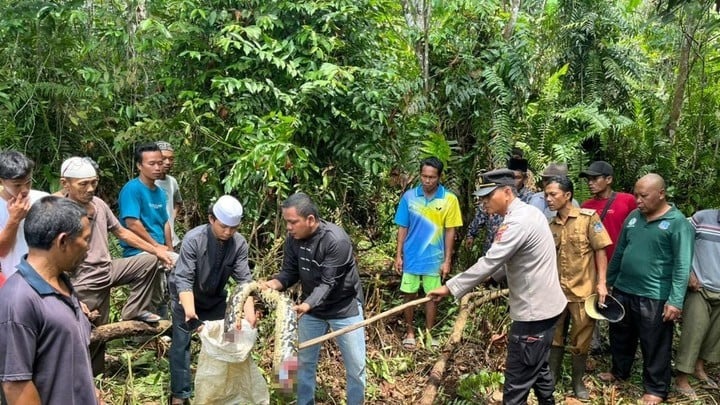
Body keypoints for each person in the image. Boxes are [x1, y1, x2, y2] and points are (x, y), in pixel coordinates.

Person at [428, 169, 567, 404]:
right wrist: (492, 279)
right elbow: (517, 258)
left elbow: (490, 261)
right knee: (538, 367)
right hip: (548, 309)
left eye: (487, 197)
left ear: (506, 192)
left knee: (516, 386)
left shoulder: (517, 221)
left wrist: (450, 288)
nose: (483, 204)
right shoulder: (531, 213)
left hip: (533, 315)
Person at [56, 157, 173, 375]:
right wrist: (68, 293)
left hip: (107, 269)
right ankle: (87, 382)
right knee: (91, 333)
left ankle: (135, 311)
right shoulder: (59, 211)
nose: (90, 188)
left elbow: (122, 232)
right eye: (83, 184)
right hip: (83, 280)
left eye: (94, 182)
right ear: (65, 183)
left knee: (149, 260)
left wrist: (157, 250)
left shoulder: (99, 205)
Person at [263, 193, 365, 405]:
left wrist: (306, 305)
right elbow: (289, 272)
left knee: (356, 367)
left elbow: (328, 283)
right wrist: (273, 284)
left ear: (310, 219)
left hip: (344, 308)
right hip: (312, 309)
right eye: (286, 222)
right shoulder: (293, 239)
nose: (289, 228)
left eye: (293, 222)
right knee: (302, 363)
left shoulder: (336, 240)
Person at [600, 173, 694, 405]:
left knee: (655, 344)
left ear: (661, 194)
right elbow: (620, 251)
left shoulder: (677, 223)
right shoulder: (633, 217)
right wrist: (609, 281)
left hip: (654, 295)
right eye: (635, 195)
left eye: (643, 195)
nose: (638, 200)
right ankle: (619, 372)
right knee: (620, 335)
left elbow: (683, 265)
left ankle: (656, 389)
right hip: (623, 289)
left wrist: (675, 301)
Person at [0, 196, 98, 404]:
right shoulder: (19, 300)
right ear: (63, 241)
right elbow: (16, 386)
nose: (88, 248)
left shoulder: (62, 284)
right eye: (86, 239)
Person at [168, 195, 256, 405]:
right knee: (182, 345)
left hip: (216, 298)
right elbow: (184, 279)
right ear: (211, 219)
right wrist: (190, 313)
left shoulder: (239, 244)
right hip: (186, 297)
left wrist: (250, 315)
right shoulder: (193, 239)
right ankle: (179, 396)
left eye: (233, 228)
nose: (228, 232)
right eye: (223, 226)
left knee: (230, 339)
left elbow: (244, 281)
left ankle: (225, 389)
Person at [545, 176, 612, 399]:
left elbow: (600, 250)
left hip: (583, 291)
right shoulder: (551, 224)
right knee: (555, 336)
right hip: (556, 292)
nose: (548, 199)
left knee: (581, 339)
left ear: (568, 195)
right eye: (546, 194)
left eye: (553, 194)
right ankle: (551, 378)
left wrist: (602, 283)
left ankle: (577, 382)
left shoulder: (588, 219)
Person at [395, 157, 462, 349]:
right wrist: (398, 255)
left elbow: (450, 231)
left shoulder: (449, 199)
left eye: (432, 177)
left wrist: (447, 260)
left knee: (432, 296)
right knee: (409, 294)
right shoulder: (409, 197)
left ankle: (429, 334)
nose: (427, 181)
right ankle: (409, 333)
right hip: (411, 257)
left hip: (434, 258)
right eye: (424, 176)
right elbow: (402, 227)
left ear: (439, 177)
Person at [579, 161, 637, 354]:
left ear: (609, 179)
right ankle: (593, 346)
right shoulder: (586, 206)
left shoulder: (627, 201)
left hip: (621, 266)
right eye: (588, 179)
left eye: (595, 178)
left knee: (621, 306)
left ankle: (621, 349)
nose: (590, 183)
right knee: (593, 302)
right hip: (594, 265)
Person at [674, 208, 720, 399]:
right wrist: (688, 273)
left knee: (714, 334)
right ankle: (681, 379)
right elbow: (680, 242)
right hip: (699, 286)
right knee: (694, 331)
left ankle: (698, 368)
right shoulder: (702, 218)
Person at [465, 158, 532, 255]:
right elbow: (481, 215)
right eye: (512, 178)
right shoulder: (495, 195)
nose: (513, 181)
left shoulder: (529, 199)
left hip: (514, 251)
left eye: (517, 178)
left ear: (524, 179)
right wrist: (471, 234)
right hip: (491, 247)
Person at [118, 142, 173, 256]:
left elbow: (165, 223)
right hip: (138, 252)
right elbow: (132, 223)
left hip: (160, 250)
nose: (157, 168)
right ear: (139, 165)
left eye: (159, 163)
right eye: (152, 164)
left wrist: (170, 249)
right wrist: (155, 246)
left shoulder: (160, 192)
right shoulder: (132, 189)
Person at [0, 151, 48, 278]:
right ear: (1, 182)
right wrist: (14, 219)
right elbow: (1, 251)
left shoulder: (42, 200)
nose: (25, 190)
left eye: (28, 182)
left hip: (48, 276)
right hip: (16, 279)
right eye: (17, 185)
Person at [155, 141, 183, 248]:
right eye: (163, 158)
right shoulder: (148, 183)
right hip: (155, 243)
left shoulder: (172, 181)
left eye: (171, 159)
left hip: (173, 240)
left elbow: (178, 202)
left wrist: (172, 217)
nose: (168, 162)